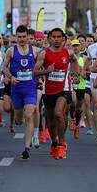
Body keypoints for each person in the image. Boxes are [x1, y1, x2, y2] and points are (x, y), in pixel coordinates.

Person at [35, 27, 79, 160]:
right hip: (48, 90)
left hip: (64, 89)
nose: (56, 39)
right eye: (53, 37)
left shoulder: (68, 53)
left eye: (59, 37)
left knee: (59, 113)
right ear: (49, 39)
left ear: (64, 39)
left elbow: (75, 61)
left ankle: (61, 143)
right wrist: (46, 72)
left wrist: (75, 74)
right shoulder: (44, 54)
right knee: (50, 122)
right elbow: (34, 72)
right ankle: (54, 142)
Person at [4, 25, 40, 160]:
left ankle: (26, 148)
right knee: (19, 120)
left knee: (29, 115)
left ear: (28, 36)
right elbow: (4, 67)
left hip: (30, 88)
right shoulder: (10, 51)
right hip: (16, 90)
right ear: (16, 37)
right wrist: (10, 76)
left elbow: (42, 64)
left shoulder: (35, 51)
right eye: (19, 37)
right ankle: (19, 119)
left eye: (24, 36)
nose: (22, 39)